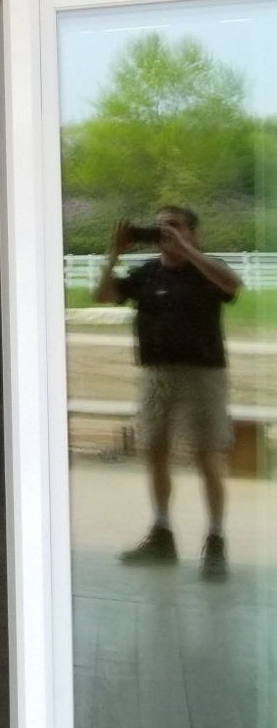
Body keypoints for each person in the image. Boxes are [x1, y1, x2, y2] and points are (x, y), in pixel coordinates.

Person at [94, 205, 241, 578]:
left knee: (207, 456)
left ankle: (216, 540)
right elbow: (102, 296)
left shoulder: (207, 268)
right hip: (155, 374)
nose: (165, 233)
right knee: (154, 453)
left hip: (203, 374)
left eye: (174, 227)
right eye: (159, 227)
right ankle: (162, 534)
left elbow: (231, 284)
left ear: (193, 233)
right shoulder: (146, 273)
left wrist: (187, 252)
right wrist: (115, 254)